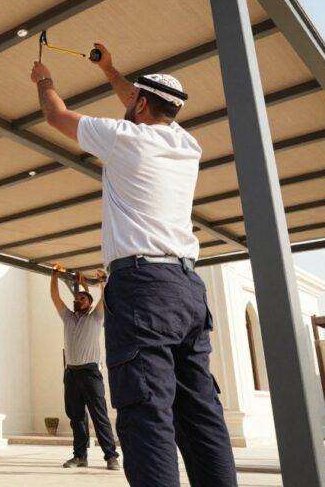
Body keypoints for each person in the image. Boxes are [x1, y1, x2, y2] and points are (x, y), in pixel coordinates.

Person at [29, 46, 237, 487]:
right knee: (200, 414)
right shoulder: (186, 144)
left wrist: (43, 79)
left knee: (146, 414)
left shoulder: (126, 139)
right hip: (186, 287)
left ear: (141, 105)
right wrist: (109, 70)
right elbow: (140, 100)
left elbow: (55, 115)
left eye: (133, 101)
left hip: (143, 289)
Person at [49, 266, 120, 471]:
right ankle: (80, 456)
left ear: (89, 304)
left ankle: (110, 456)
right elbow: (55, 298)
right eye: (76, 298)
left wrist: (102, 281)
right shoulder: (68, 318)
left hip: (90, 374)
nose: (77, 300)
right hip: (70, 374)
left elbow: (105, 299)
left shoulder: (96, 318)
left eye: (82, 298)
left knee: (100, 416)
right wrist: (53, 278)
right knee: (76, 418)